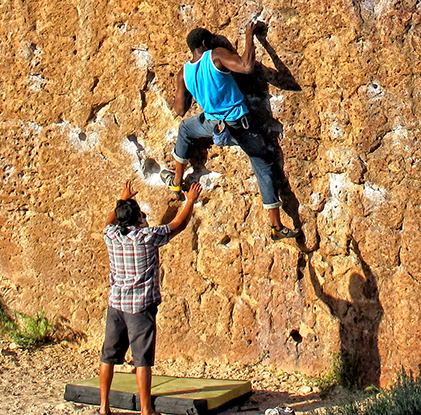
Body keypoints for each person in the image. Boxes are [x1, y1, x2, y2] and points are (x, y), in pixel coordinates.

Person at [162, 21, 299, 242]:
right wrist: (249, 36)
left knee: (186, 128)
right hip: (239, 124)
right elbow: (246, 66)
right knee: (263, 163)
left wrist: (193, 87)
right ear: (206, 43)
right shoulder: (214, 55)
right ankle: (276, 225)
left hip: (212, 124)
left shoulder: (184, 72)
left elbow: (180, 109)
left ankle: (177, 180)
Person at [99, 178, 202, 415]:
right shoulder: (147, 238)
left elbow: (109, 222)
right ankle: (146, 410)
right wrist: (190, 201)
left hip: (116, 304)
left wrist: (123, 200)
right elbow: (178, 224)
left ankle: (104, 408)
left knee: (108, 356)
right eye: (141, 215)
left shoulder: (111, 235)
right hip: (140, 307)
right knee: (142, 360)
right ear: (137, 219)